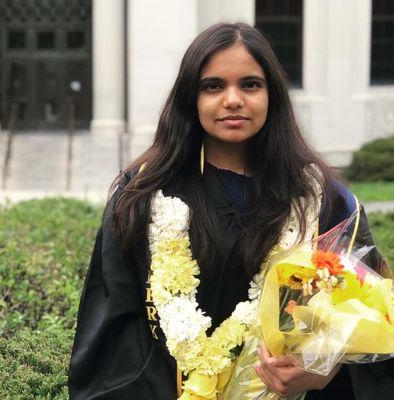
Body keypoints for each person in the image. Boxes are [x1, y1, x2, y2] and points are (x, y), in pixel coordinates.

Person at [68, 22, 393, 400]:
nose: (233, 99)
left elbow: (370, 311)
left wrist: (323, 369)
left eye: (250, 84)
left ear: (273, 95)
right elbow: (115, 327)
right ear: (191, 98)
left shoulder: (320, 196)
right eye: (213, 86)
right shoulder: (143, 194)